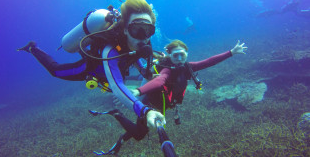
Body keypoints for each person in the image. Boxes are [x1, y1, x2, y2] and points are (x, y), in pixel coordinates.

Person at [17, 0, 166, 131]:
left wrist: (146, 70)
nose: (143, 37)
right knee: (55, 71)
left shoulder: (142, 43)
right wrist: (144, 110)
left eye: (148, 30)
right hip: (91, 69)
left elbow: (135, 58)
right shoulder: (111, 51)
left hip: (115, 69)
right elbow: (117, 86)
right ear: (126, 30)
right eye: (136, 29)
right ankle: (33, 48)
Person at [90, 39, 247, 155]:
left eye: (182, 55)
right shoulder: (167, 69)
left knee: (141, 130)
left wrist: (231, 52)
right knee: (139, 134)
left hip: (163, 106)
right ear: (170, 56)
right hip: (151, 106)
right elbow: (160, 80)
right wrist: (138, 91)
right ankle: (116, 114)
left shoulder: (188, 67)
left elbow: (208, 62)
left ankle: (119, 141)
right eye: (176, 55)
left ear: (186, 54)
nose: (179, 59)